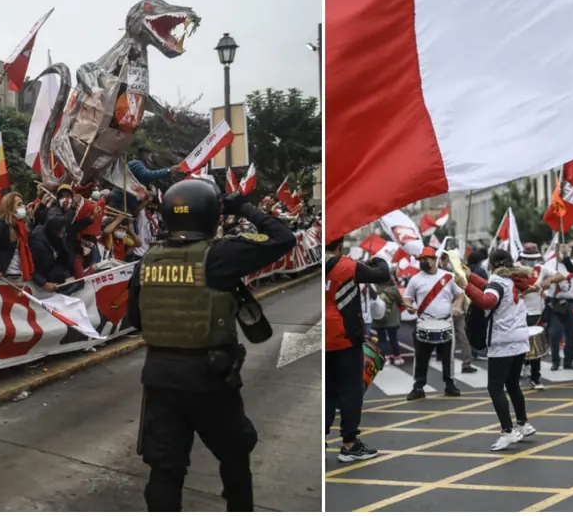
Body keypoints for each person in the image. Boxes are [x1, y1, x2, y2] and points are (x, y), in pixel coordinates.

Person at [125, 178, 295, 511]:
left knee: (165, 469)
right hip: (210, 377)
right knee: (234, 456)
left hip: (159, 377)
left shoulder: (148, 261)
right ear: (210, 216)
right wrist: (242, 206)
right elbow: (283, 238)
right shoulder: (219, 255)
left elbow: (136, 319)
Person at [459, 248, 537, 451]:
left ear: (492, 265)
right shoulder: (511, 280)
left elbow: (487, 300)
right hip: (519, 339)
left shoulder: (498, 282)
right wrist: (471, 277)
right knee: (512, 384)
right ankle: (523, 423)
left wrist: (465, 286)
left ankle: (508, 431)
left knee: (495, 387)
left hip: (503, 342)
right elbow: (489, 288)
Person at [325, 237, 391, 463]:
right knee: (350, 391)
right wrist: (378, 260)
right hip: (345, 338)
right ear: (339, 247)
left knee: (327, 391)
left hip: (322, 338)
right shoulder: (345, 265)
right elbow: (383, 275)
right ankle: (349, 445)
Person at [404, 246, 464, 400]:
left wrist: (457, 306)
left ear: (434, 260)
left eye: (426, 259)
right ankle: (418, 387)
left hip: (445, 322)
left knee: (447, 357)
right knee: (421, 357)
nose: (423, 262)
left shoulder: (448, 277)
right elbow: (407, 297)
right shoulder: (415, 279)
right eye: (421, 260)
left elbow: (460, 294)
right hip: (424, 322)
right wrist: (409, 306)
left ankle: (450, 385)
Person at [516, 243, 566, 388]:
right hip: (519, 313)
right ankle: (518, 371)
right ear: (523, 258)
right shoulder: (515, 270)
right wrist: (531, 290)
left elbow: (560, 275)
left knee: (536, 346)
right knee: (519, 346)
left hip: (537, 313)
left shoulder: (541, 269)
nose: (532, 261)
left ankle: (535, 378)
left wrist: (549, 280)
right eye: (528, 258)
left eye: (534, 258)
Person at [440, 250, 477, 373]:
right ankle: (446, 361)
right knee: (448, 338)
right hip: (445, 311)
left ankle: (466, 363)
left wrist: (460, 306)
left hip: (458, 310)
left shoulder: (459, 273)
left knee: (463, 337)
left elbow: (463, 291)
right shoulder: (440, 275)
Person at [546, 244, 573, 371]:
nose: (564, 250)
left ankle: (568, 362)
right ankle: (555, 361)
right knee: (555, 333)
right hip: (555, 303)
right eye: (561, 248)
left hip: (571, 302)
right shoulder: (549, 264)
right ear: (556, 250)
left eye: (567, 248)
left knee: (571, 334)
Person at [0, 193, 35, 282]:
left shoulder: (19, 227)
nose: (23, 207)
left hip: (18, 275)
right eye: (19, 204)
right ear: (9, 207)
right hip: (4, 277)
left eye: (22, 204)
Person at [374, 267, 405, 365]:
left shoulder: (374, 288)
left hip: (378, 318)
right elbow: (401, 303)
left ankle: (385, 358)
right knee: (393, 338)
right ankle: (397, 357)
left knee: (382, 340)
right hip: (392, 318)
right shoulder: (393, 289)